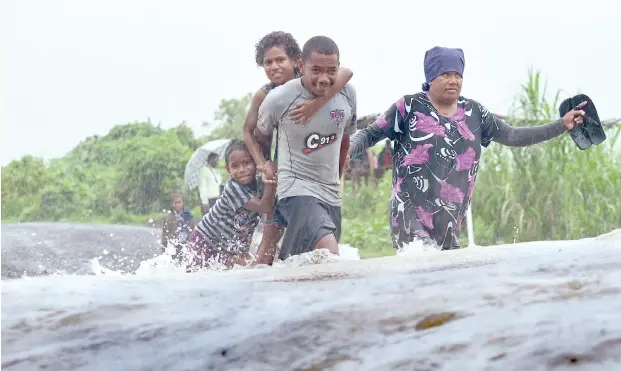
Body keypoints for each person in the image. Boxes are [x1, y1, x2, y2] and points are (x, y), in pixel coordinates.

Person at [348, 46, 586, 251]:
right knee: (420, 277)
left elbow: (513, 135)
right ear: (430, 77)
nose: (453, 80)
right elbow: (370, 133)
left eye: (457, 75)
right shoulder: (409, 107)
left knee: (447, 291)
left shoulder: (475, 113)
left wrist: (560, 125)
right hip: (409, 215)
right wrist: (348, 153)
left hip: (451, 221)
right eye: (445, 74)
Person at [242, 31, 354, 265]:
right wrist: (264, 165)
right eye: (268, 63)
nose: (274, 67)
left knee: (303, 257)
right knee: (272, 237)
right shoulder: (269, 96)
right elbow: (252, 134)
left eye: (279, 60)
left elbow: (344, 74)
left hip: (324, 183)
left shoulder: (329, 83)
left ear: (296, 62)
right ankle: (258, 280)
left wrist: (316, 104)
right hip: (285, 177)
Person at [184, 139, 277, 271]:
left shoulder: (257, 184)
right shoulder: (233, 188)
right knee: (197, 279)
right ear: (228, 170)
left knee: (240, 271)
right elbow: (265, 207)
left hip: (226, 247)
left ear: (255, 163)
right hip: (204, 241)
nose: (242, 170)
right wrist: (270, 180)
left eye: (246, 163)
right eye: (235, 166)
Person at [160, 193, 197, 260]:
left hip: (186, 243)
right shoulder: (168, 218)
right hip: (174, 244)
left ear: (183, 203)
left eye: (179, 202)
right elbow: (164, 234)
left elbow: (193, 229)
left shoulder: (188, 215)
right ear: (172, 204)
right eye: (175, 203)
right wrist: (164, 248)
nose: (177, 205)